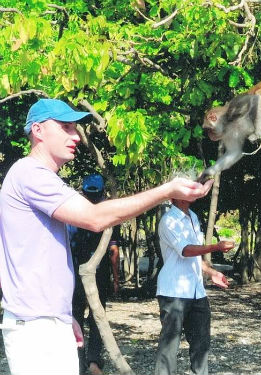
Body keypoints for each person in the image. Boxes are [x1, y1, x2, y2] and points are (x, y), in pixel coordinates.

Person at [0, 98, 213, 375]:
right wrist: (166, 190)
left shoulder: (39, 178)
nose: (76, 135)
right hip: (37, 328)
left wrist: (64, 316)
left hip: (48, 322)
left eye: (75, 127)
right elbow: (95, 218)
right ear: (38, 131)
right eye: (65, 127)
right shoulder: (31, 174)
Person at [155, 198, 234, 375]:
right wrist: (216, 247)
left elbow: (195, 256)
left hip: (196, 290)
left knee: (201, 343)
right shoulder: (169, 220)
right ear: (175, 195)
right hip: (173, 291)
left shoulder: (193, 217)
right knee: (170, 344)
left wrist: (212, 273)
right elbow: (186, 250)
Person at [70, 173, 121, 375]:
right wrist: (116, 278)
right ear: (102, 193)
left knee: (76, 319)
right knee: (97, 318)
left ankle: (79, 363)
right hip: (99, 276)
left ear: (83, 191)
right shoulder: (108, 215)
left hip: (75, 275)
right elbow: (114, 251)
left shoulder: (72, 214)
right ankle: (94, 362)